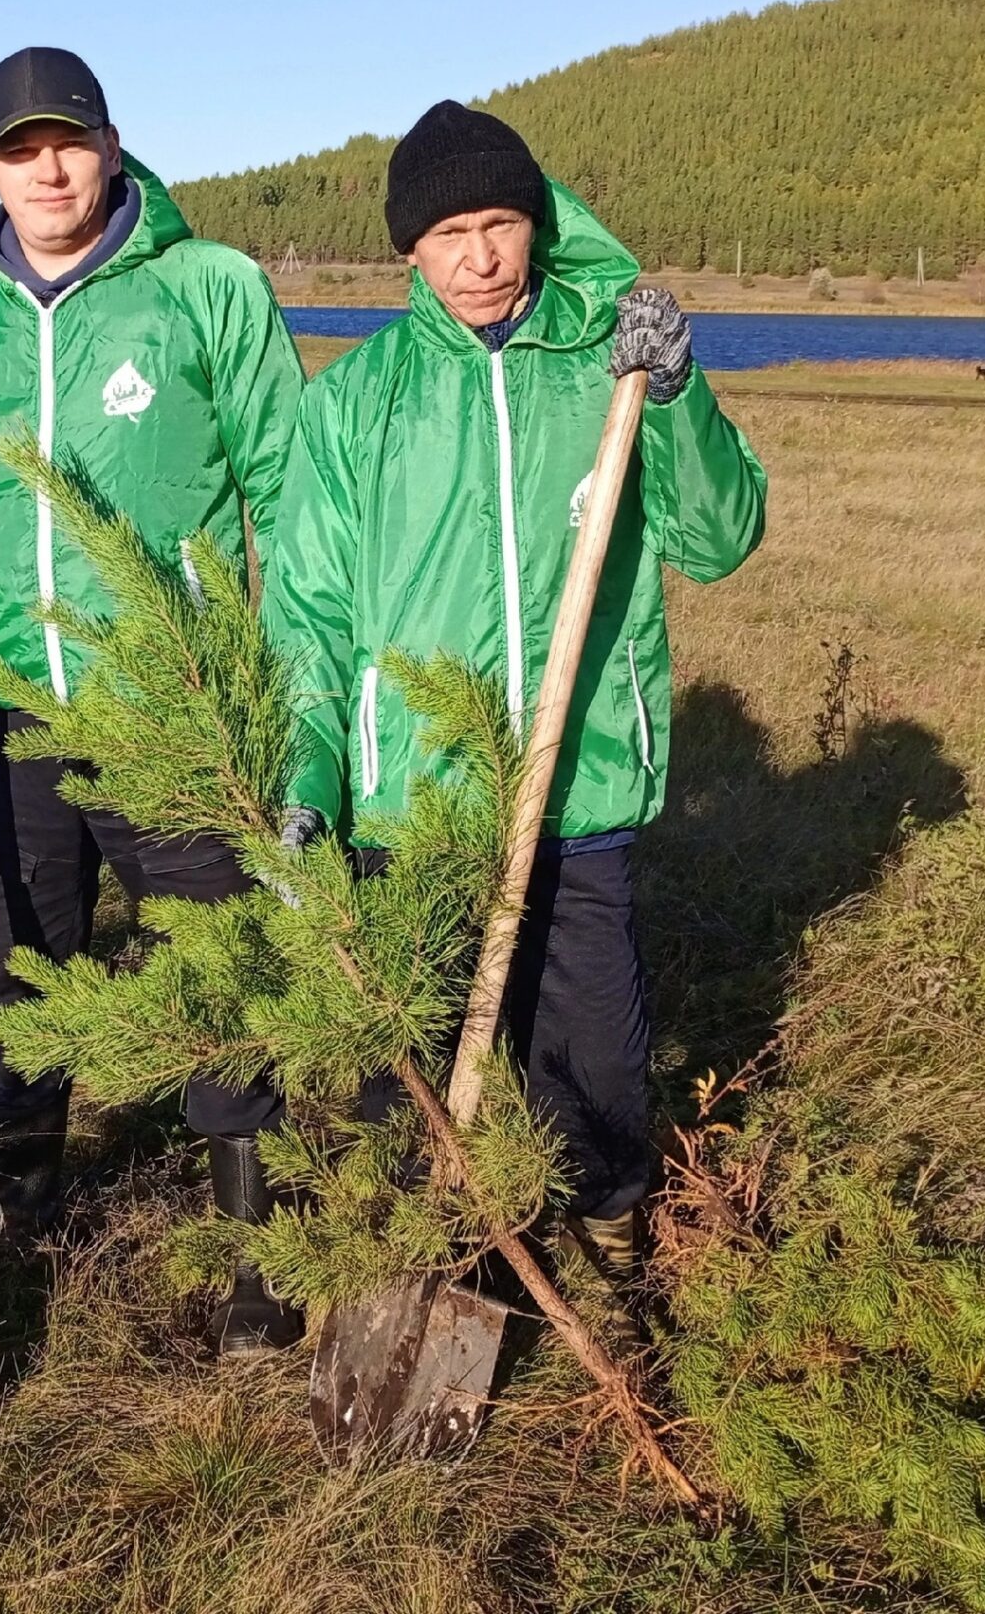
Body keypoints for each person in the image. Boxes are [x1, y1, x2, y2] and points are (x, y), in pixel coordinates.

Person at [264, 101, 768, 1270]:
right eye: (449, 234)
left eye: (500, 223)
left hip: (578, 780)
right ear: (408, 251)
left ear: (537, 224)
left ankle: (606, 1241)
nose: (480, 257)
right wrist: (308, 780)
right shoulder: (355, 402)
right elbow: (309, 615)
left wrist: (677, 393)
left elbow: (718, 538)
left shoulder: (611, 371)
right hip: (415, 797)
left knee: (593, 1059)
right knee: (412, 1062)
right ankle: (428, 1254)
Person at [0, 47, 307, 1349]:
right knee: (25, 967)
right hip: (13, 710)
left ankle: (253, 1257)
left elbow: (292, 497)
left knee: (221, 961)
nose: (48, 169)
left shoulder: (208, 288)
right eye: (20, 149)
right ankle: (23, 1218)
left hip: (177, 703)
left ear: (112, 146)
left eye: (69, 141)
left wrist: (296, 704)